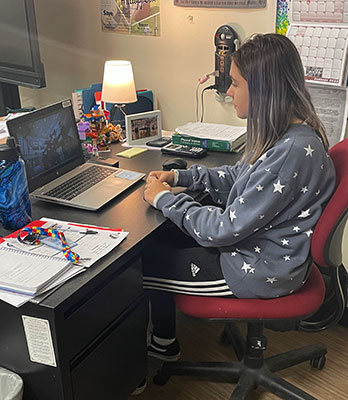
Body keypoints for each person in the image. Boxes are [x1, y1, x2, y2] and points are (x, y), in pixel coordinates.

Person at [135, 33, 336, 393]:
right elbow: (239, 175)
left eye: (236, 83)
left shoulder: (288, 154)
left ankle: (160, 346)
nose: (228, 91)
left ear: (263, 91)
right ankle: (164, 339)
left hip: (255, 270)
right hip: (265, 254)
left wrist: (164, 199)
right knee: (166, 237)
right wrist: (182, 177)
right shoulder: (288, 136)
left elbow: (222, 230)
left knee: (140, 266)